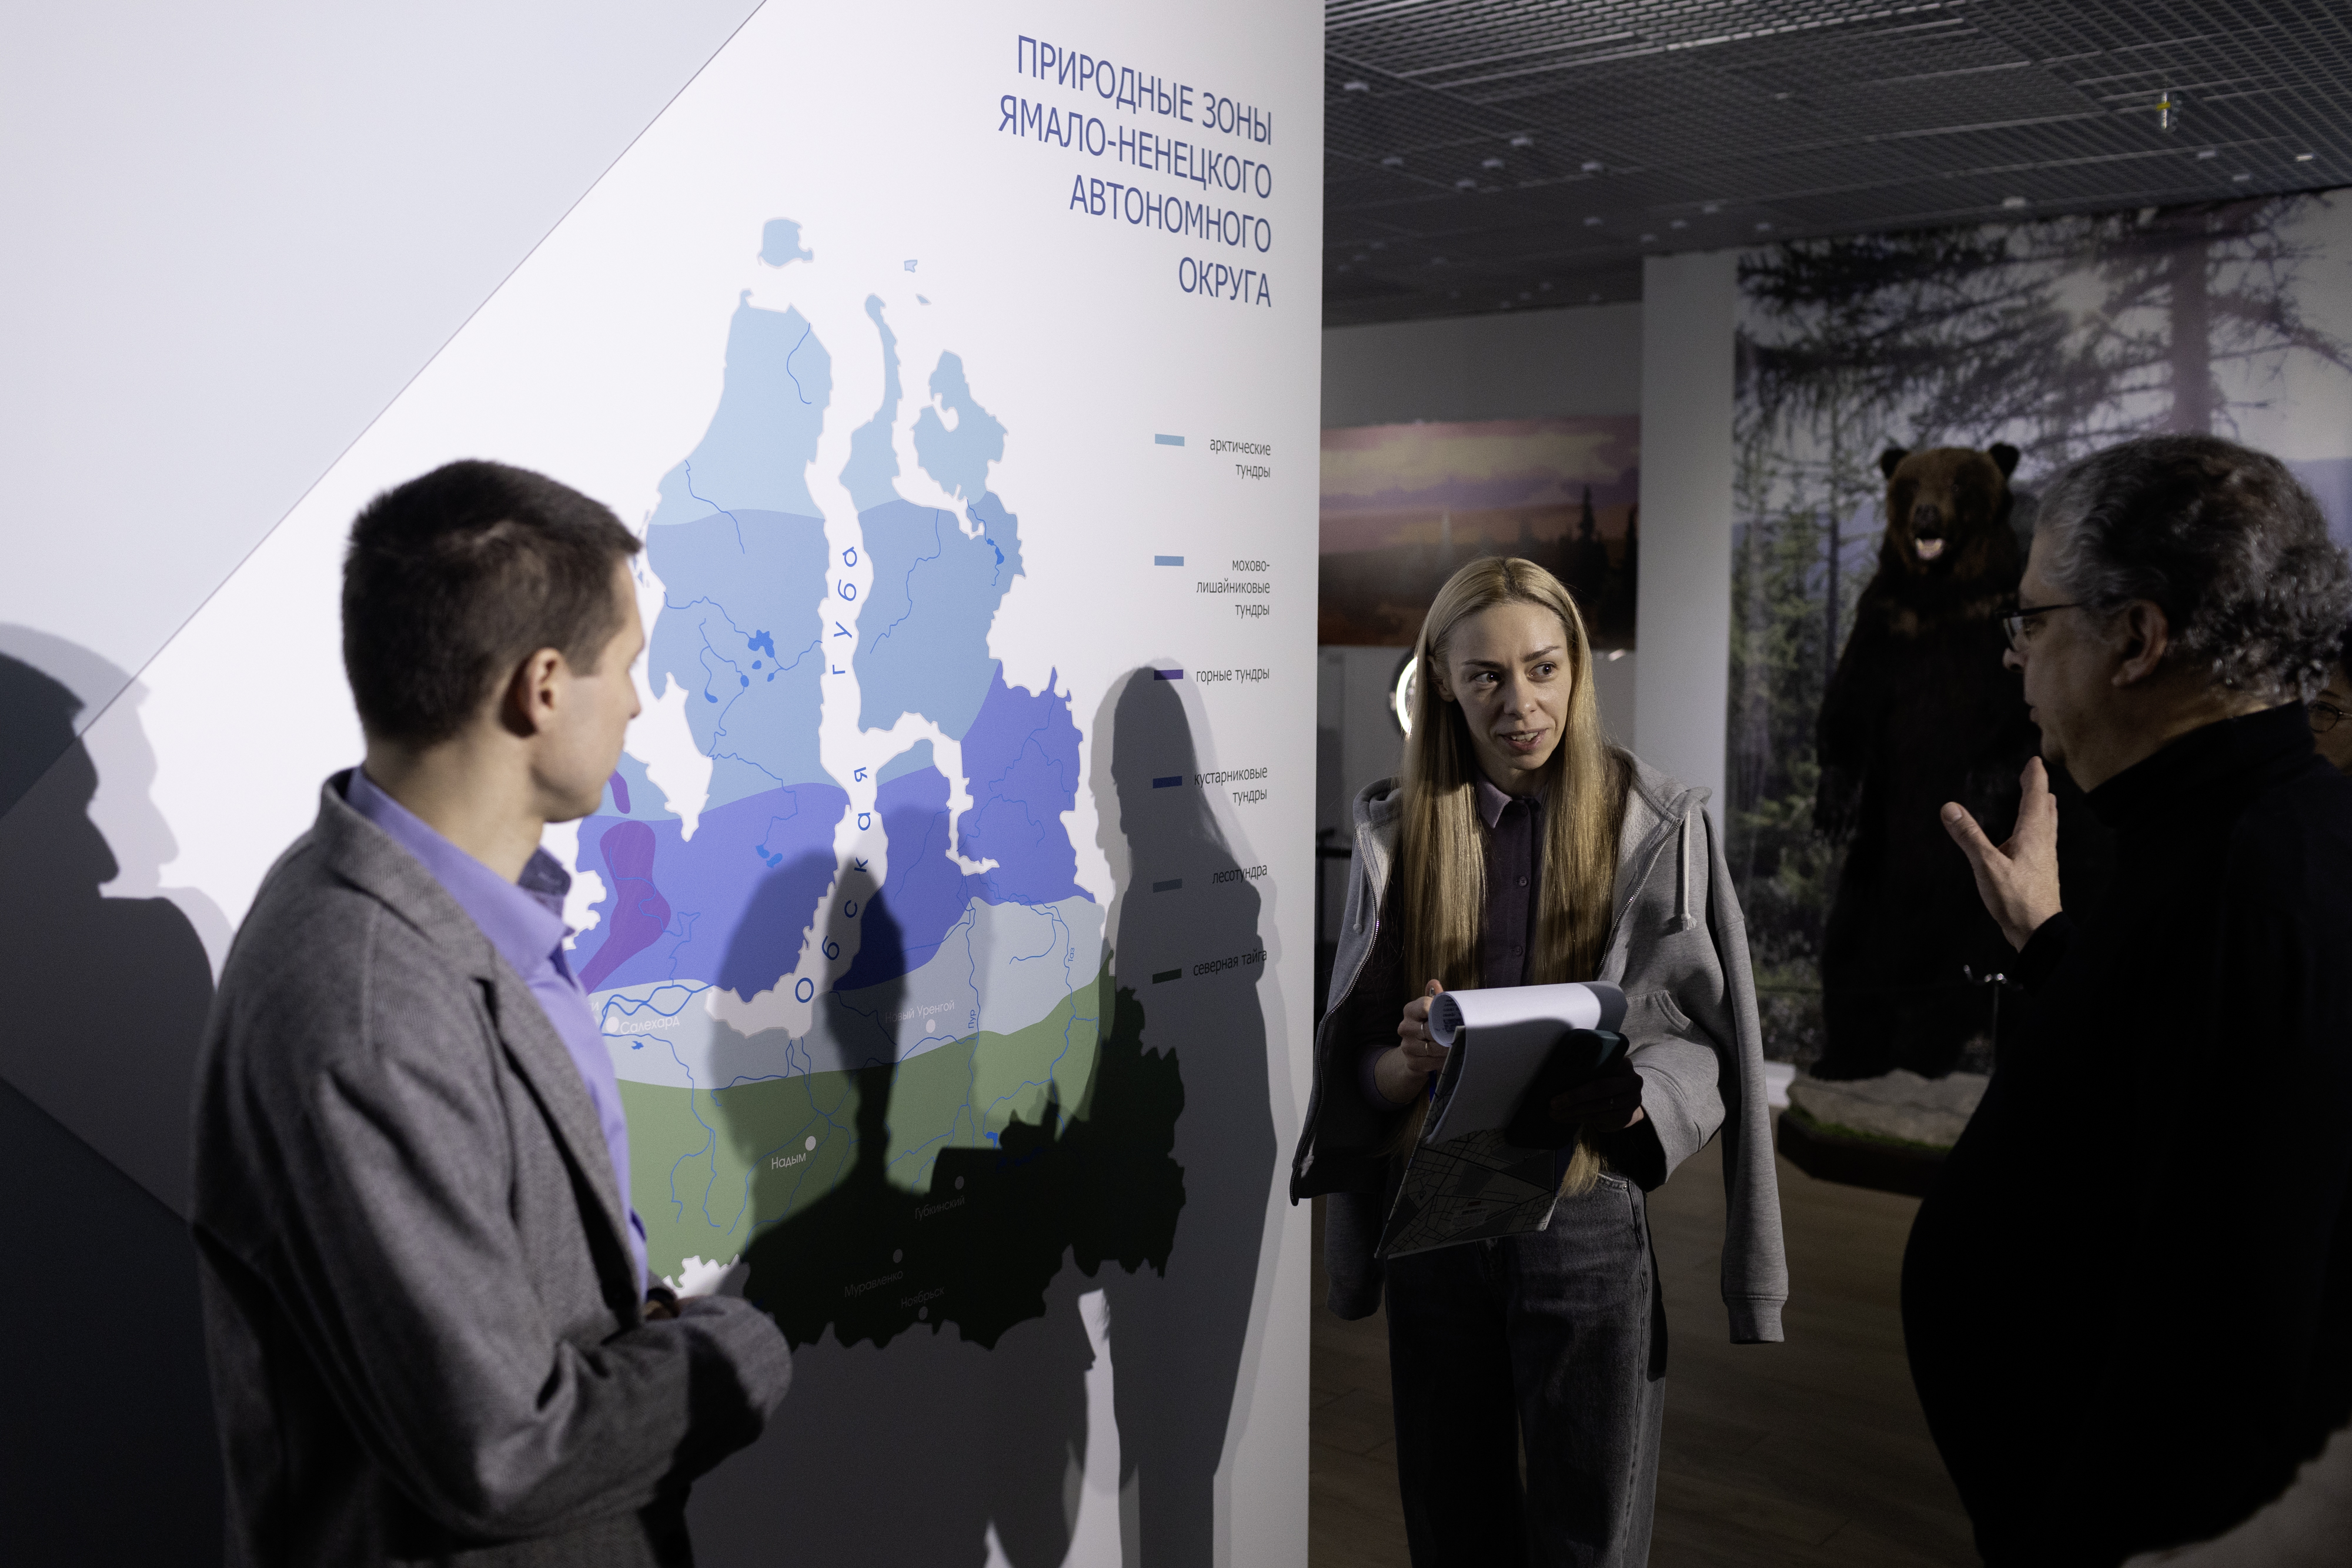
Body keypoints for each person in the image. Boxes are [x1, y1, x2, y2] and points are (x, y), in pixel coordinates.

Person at [191, 460, 791, 1567]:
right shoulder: (368, 1005)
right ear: (543, 688)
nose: (639, 703)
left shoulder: (465, 921)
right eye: (627, 666)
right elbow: (508, 1452)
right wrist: (737, 1352)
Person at [1289, 556, 1786, 1567]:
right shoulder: (1396, 834)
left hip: (1583, 1211)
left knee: (1587, 1534)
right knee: (1451, 1527)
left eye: (1543, 669)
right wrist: (1408, 1065)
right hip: (1434, 1217)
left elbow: (1703, 1037)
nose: (1520, 704)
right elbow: (1360, 1071)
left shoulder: (1658, 824)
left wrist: (1636, 1099)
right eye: (1486, 676)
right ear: (1438, 679)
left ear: (1577, 669)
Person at [1910, 433, 2352, 1565]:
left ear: (2137, 639)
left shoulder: (2249, 887)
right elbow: (2162, 1091)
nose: (2014, 656)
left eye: (2031, 620)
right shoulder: (2245, 838)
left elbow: (2234, 1346)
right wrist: (2050, 944)